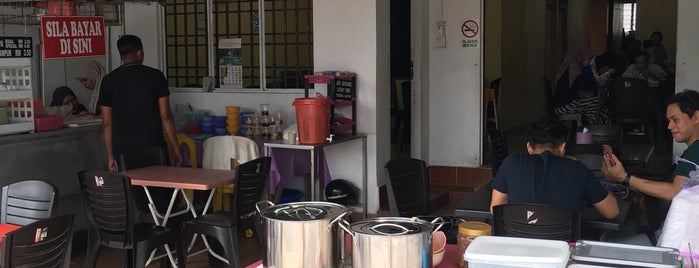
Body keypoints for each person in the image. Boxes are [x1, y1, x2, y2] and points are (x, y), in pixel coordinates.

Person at [490, 116, 619, 220]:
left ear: (529, 147)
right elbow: (612, 212)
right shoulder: (577, 169)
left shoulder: (511, 163)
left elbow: (495, 209)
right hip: (560, 250)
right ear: (562, 147)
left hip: (516, 248)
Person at [98, 34, 181, 172]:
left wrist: (110, 156)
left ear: (121, 55)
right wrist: (175, 147)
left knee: (131, 189)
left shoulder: (108, 81)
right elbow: (165, 115)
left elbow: (107, 123)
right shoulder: (156, 76)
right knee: (158, 188)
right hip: (153, 146)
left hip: (124, 149)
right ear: (139, 52)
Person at [602, 89, 699, 201]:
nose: (669, 126)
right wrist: (622, 178)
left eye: (675, 120)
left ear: (696, 117)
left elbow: (675, 192)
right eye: (669, 121)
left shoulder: (696, 149)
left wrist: (624, 177)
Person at [553, 50, 615, 125]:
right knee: (596, 103)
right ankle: (599, 129)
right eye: (588, 58)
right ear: (581, 57)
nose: (589, 61)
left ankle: (598, 128)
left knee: (596, 104)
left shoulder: (574, 68)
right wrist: (598, 79)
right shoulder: (574, 68)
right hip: (565, 106)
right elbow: (584, 86)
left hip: (565, 104)